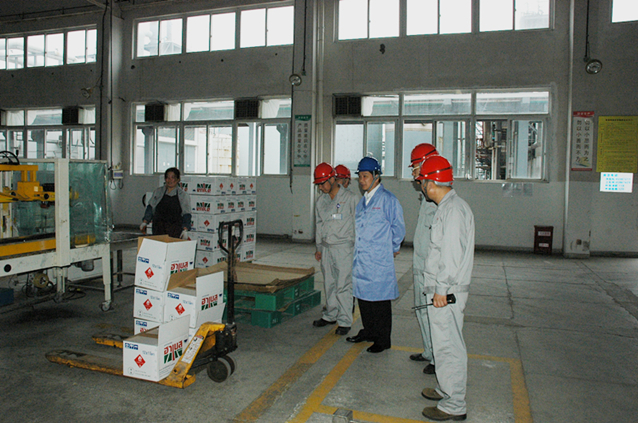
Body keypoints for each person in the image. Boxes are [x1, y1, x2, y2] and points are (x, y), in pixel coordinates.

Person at [416, 155, 474, 422]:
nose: (422, 187)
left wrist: (440, 289)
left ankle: (454, 404)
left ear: (431, 183)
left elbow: (450, 256)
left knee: (449, 346)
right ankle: (445, 388)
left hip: (447, 292)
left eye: (423, 182)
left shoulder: (453, 211)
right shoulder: (447, 207)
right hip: (442, 290)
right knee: (442, 345)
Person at [346, 156, 405, 353]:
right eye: (360, 176)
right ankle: (369, 331)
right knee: (364, 299)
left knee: (379, 301)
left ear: (376, 176)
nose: (362, 180)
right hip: (362, 259)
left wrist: (392, 247)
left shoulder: (388, 200)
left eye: (365, 176)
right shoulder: (363, 201)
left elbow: (398, 227)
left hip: (379, 259)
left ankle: (382, 339)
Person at [312, 162, 357, 335]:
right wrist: (319, 247)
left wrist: (358, 249)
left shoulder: (351, 199)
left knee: (343, 284)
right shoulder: (321, 201)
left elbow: (358, 224)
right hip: (326, 248)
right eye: (318, 184)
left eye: (322, 183)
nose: (320, 188)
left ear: (332, 179)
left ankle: (344, 320)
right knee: (329, 283)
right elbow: (319, 224)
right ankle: (330, 315)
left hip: (344, 248)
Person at [408, 143, 439, 375]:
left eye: (415, 166)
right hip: (420, 264)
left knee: (434, 314)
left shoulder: (438, 196)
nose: (413, 172)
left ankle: (438, 358)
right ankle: (429, 351)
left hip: (432, 268)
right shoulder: (425, 194)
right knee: (421, 310)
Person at [141, 167, 192, 239]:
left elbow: (186, 214)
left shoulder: (183, 195)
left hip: (175, 230)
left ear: (178, 179)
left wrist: (185, 229)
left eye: (173, 177)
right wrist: (145, 222)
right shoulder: (158, 192)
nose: (170, 180)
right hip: (158, 229)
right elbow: (151, 207)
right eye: (168, 178)